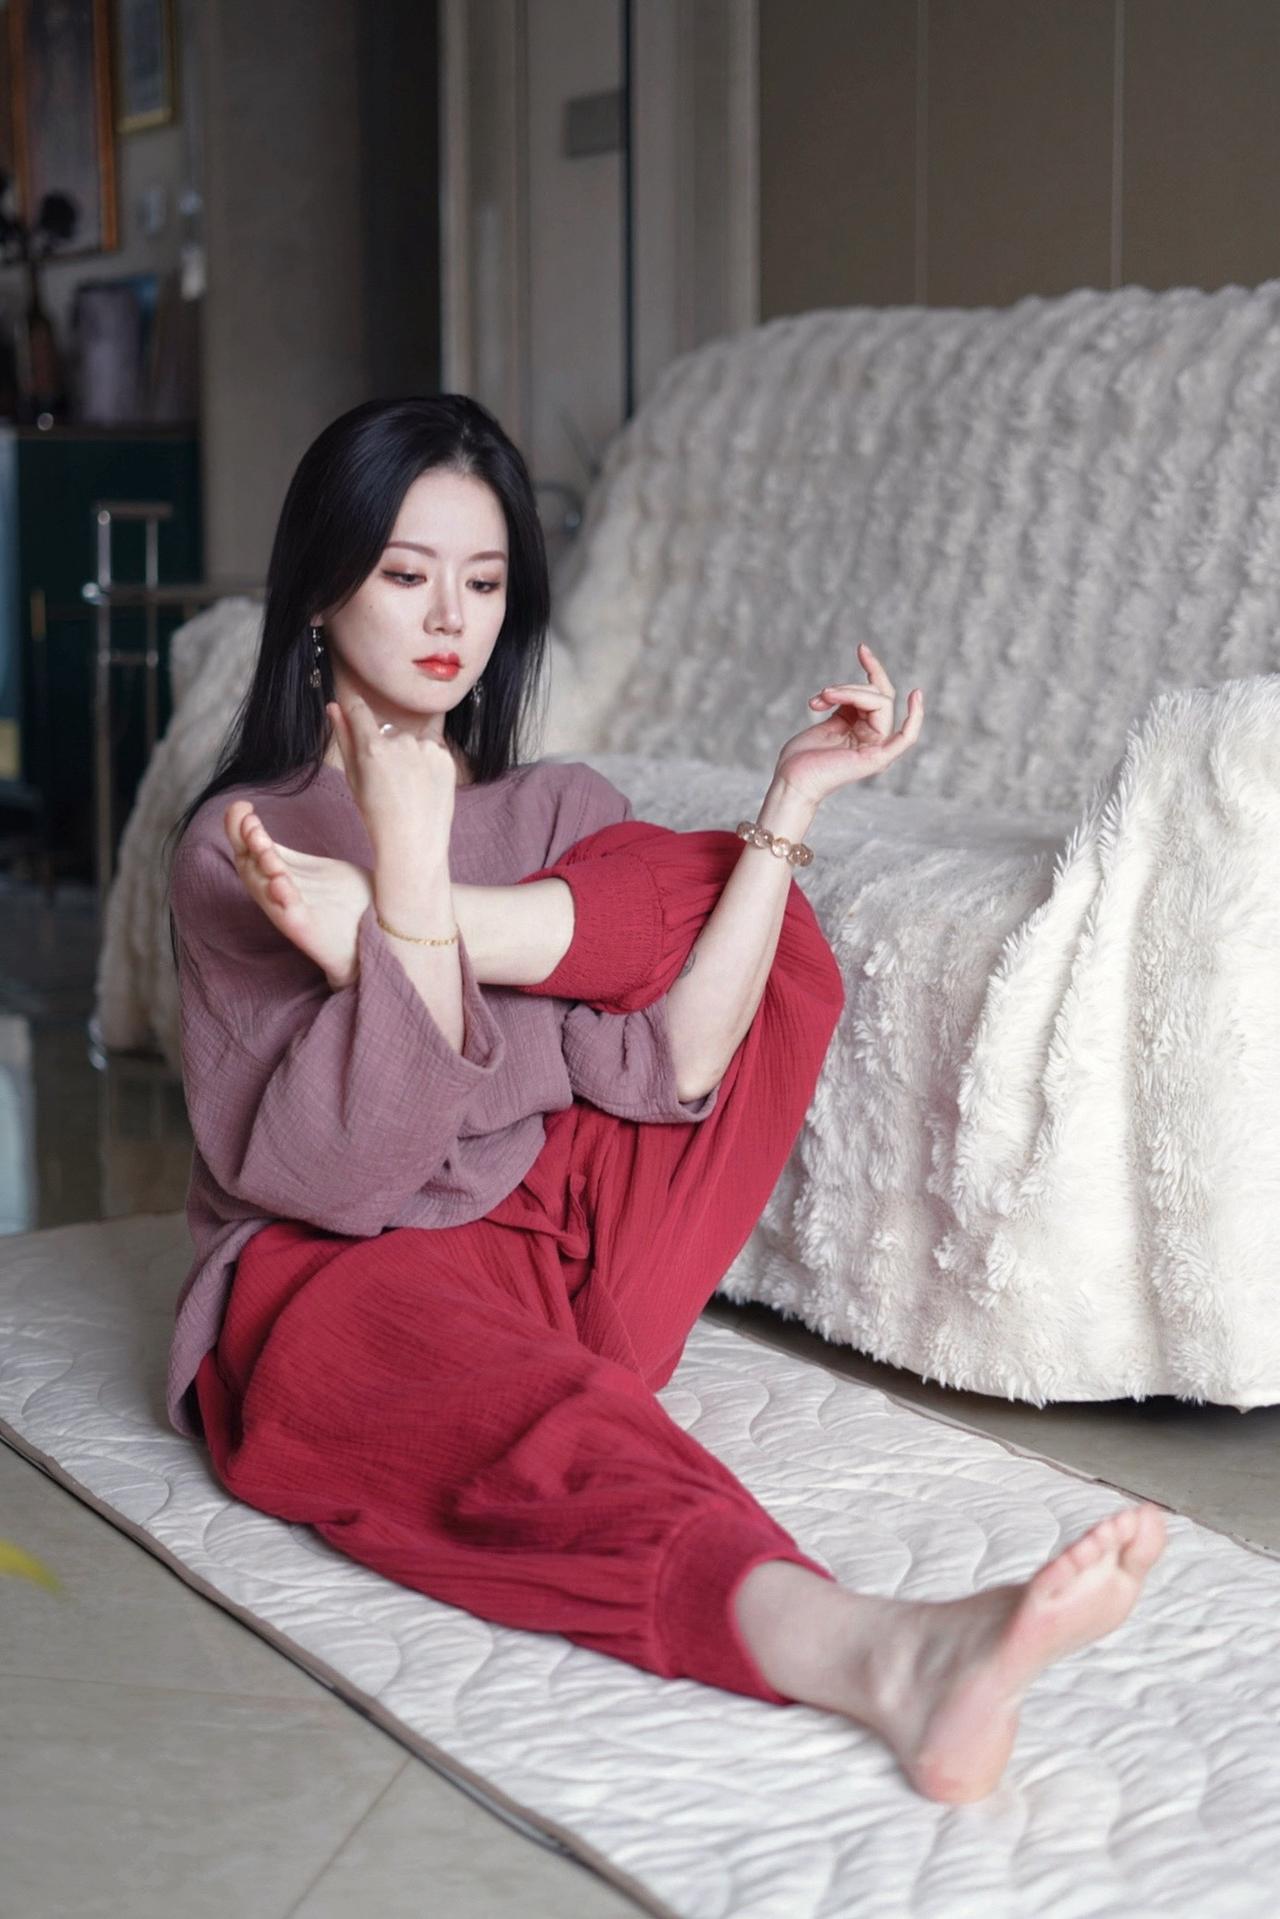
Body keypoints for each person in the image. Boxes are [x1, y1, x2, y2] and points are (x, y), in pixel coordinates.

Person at [164, 393, 1167, 1807]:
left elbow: (681, 1066)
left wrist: (792, 800)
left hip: (569, 1251)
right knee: (522, 1421)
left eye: (485, 581)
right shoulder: (245, 845)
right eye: (405, 572)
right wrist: (405, 876)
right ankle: (888, 1655)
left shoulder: (554, 810)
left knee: (742, 893)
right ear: (323, 590)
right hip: (337, 1270)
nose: (450, 617)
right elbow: (343, 1180)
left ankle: (492, 925)